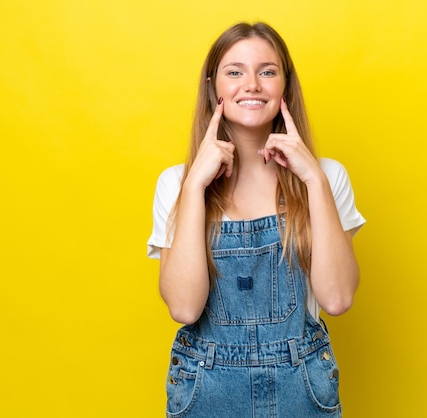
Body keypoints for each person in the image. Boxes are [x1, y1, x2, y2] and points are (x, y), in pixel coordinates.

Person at [147, 21, 365, 418]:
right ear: (213, 86)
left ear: (285, 85)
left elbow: (337, 299)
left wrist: (312, 179)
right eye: (235, 72)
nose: (252, 84)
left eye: (267, 71)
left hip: (303, 387)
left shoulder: (327, 176)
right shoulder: (176, 184)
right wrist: (195, 186)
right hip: (206, 389)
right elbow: (183, 308)